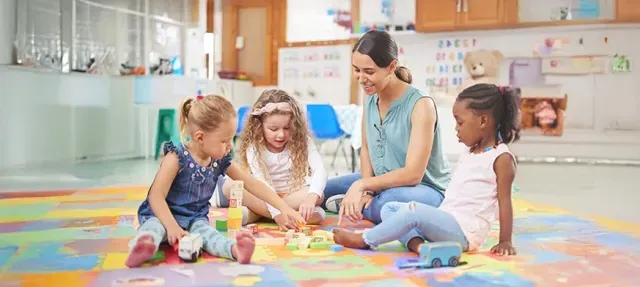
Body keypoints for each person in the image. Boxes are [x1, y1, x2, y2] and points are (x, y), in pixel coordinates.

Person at [333, 84, 521, 256]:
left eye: (460, 122)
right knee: (390, 209)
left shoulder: (502, 159)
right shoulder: (472, 152)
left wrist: (505, 241)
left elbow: (505, 202)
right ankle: (420, 246)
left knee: (412, 211)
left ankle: (365, 240)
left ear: (483, 121)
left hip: (465, 232)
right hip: (448, 220)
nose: (456, 129)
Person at [126, 95, 305, 268]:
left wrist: (284, 207)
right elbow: (156, 196)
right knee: (153, 229)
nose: (230, 146)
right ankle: (143, 246)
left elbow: (252, 184)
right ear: (200, 137)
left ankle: (235, 250)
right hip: (161, 216)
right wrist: (171, 226)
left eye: (231, 139)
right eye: (225, 141)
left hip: (195, 219)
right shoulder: (176, 158)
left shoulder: (220, 160)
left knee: (210, 236)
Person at [323, 30, 452, 224]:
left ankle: (350, 206)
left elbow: (413, 174)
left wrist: (363, 185)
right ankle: (355, 205)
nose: (361, 78)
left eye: (369, 72)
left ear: (391, 66)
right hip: (380, 183)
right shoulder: (370, 97)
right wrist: (366, 190)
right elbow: (366, 148)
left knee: (387, 205)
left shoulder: (421, 105)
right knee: (319, 190)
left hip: (424, 189)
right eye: (356, 70)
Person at [227, 89, 328, 231]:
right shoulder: (254, 146)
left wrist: (311, 198)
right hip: (263, 196)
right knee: (229, 187)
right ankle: (289, 215)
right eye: (273, 129)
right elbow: (260, 183)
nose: (281, 135)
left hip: (292, 195)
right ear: (259, 126)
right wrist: (278, 215)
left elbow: (320, 170)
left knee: (318, 195)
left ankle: (255, 214)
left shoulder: (303, 141)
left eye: (287, 128)